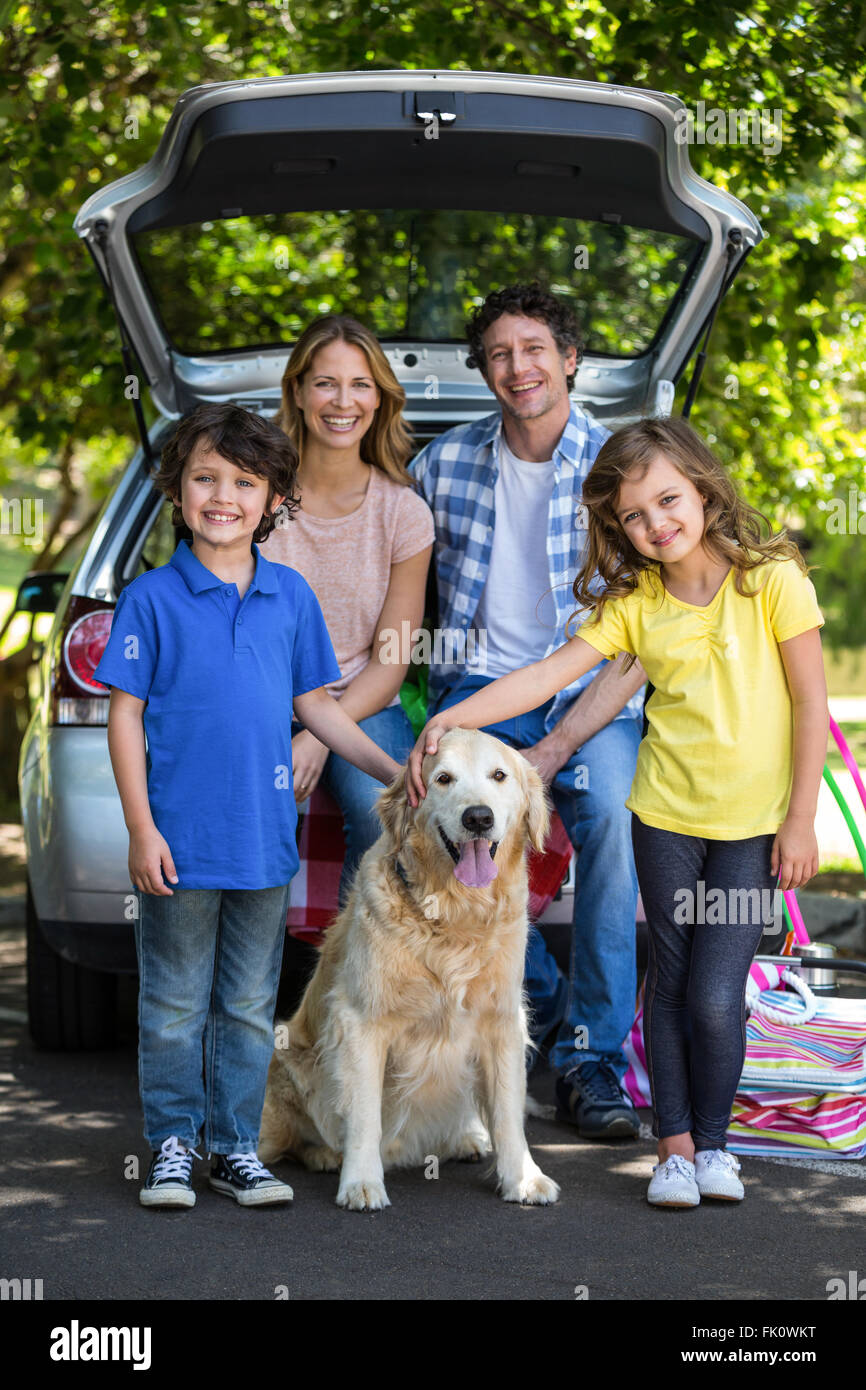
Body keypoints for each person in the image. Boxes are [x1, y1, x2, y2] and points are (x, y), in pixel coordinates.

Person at [408, 415, 828, 1206]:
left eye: (668, 501)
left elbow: (811, 702)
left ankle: (715, 1145)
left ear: (703, 489)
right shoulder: (637, 602)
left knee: (713, 993)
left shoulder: (772, 579)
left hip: (753, 829)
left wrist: (801, 819)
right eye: (633, 516)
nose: (655, 524)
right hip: (665, 816)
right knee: (669, 982)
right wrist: (451, 724)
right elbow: (544, 676)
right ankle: (673, 1152)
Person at [94, 402, 403, 1210]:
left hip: (264, 845)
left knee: (243, 1003)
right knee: (171, 1001)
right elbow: (123, 715)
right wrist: (140, 828)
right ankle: (171, 1146)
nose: (222, 495)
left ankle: (234, 1147)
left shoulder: (291, 597)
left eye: (243, 481)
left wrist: (390, 768)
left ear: (273, 500)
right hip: (178, 846)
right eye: (204, 478)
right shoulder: (152, 600)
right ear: (176, 490)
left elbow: (320, 705)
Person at [410, 283, 648, 1139]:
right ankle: (530, 1003)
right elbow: (398, 580)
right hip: (472, 697)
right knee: (414, 825)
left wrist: (557, 744)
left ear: (570, 358)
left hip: (592, 702)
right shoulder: (441, 465)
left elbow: (637, 638)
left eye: (536, 348)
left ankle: (590, 1064)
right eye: (501, 354)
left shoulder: (622, 469)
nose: (520, 367)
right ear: (485, 371)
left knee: (615, 824)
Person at [263, 315, 434, 906]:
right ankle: (243, 987)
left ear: (380, 398)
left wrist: (317, 737)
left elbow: (390, 662)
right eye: (325, 383)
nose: (343, 401)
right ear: (299, 392)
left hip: (361, 698)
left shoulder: (403, 514)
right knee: (250, 811)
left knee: (381, 812)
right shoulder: (255, 496)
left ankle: (353, 984)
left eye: (360, 384)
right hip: (259, 694)